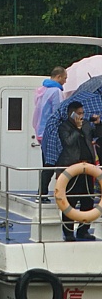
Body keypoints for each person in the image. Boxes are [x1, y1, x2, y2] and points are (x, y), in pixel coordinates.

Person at [55, 100, 100, 241]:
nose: (82, 116)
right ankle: (68, 232)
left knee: (88, 200)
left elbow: (96, 134)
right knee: (71, 200)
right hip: (72, 167)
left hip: (88, 167)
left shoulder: (86, 124)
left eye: (83, 113)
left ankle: (83, 230)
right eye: (79, 113)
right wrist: (77, 129)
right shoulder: (64, 127)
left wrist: (98, 124)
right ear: (72, 114)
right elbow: (67, 142)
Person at [35, 67, 68, 197]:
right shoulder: (56, 91)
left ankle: (42, 192)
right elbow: (58, 112)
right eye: (64, 78)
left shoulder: (42, 90)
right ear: (58, 77)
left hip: (41, 131)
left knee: (46, 163)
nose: (65, 81)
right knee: (52, 163)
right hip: (52, 131)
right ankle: (44, 193)